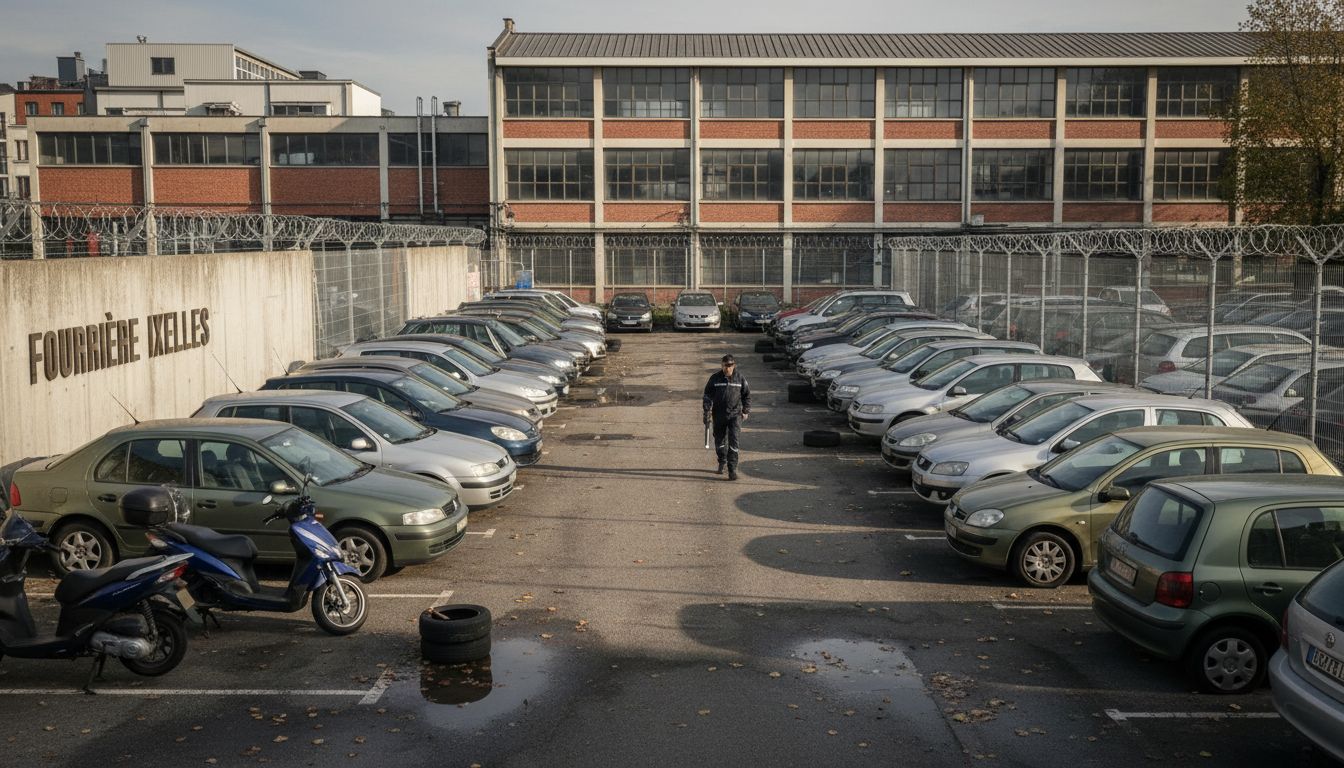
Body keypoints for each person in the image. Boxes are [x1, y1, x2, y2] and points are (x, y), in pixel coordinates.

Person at [702, 354, 751, 481]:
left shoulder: (740, 379)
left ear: (734, 365)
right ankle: (722, 461)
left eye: (730, 365)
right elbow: (707, 394)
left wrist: (745, 410)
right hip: (718, 414)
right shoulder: (715, 378)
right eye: (725, 365)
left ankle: (732, 469)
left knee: (734, 441)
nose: (727, 368)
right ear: (721, 365)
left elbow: (746, 395)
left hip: (735, 414)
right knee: (719, 440)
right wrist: (706, 410)